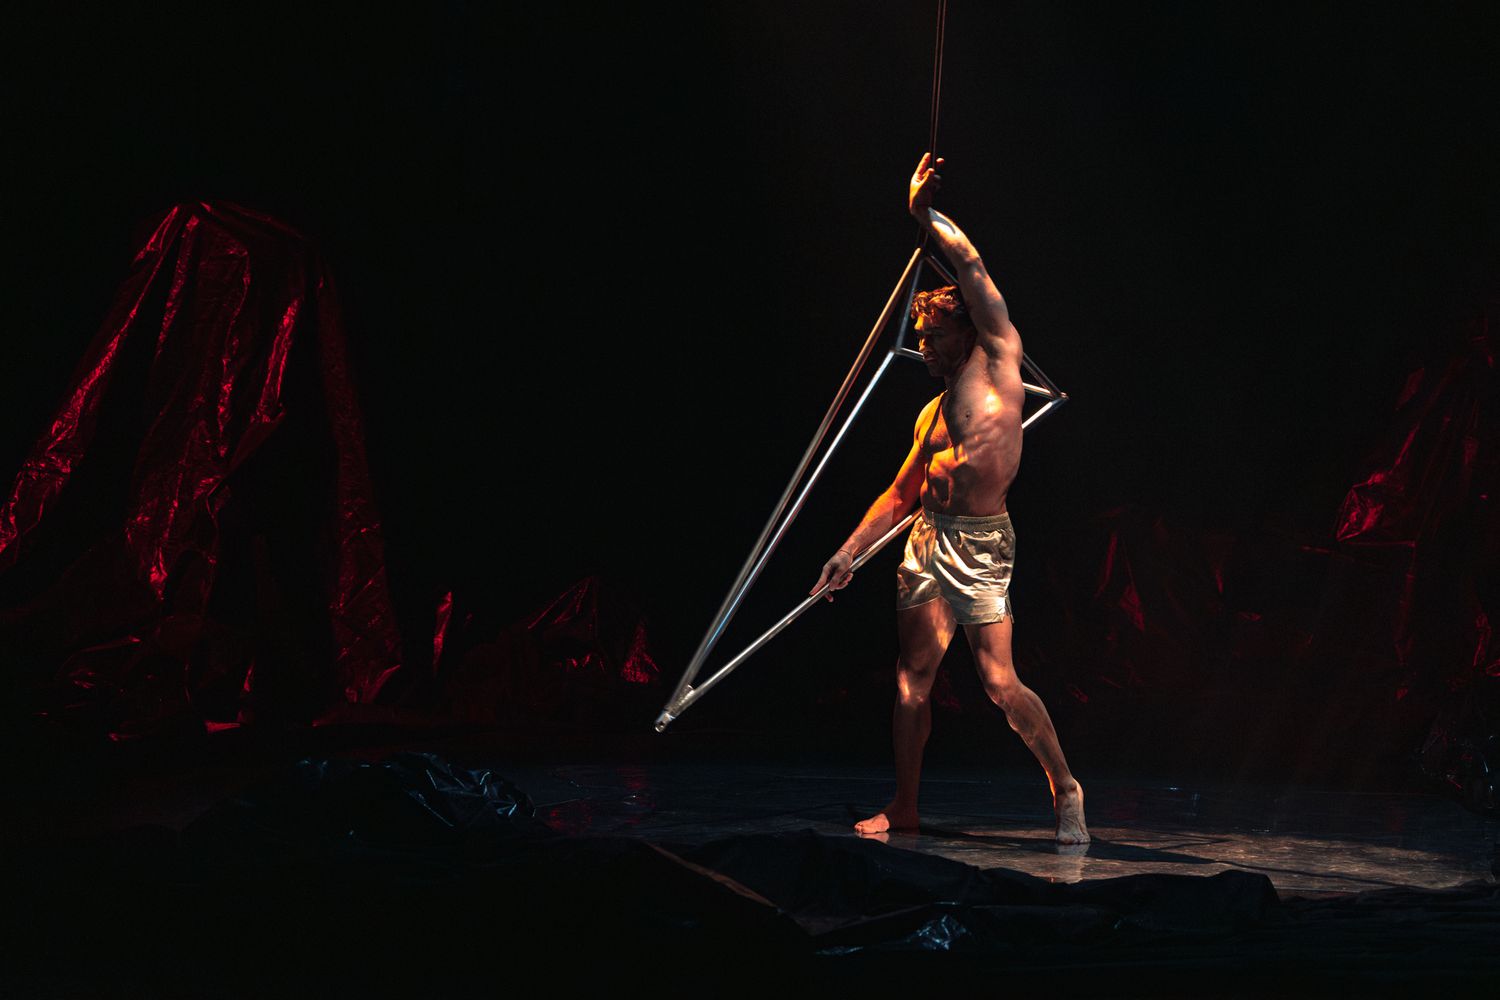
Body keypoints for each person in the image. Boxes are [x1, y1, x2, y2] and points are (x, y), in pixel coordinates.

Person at [811, 153, 1088, 844]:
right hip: (927, 540)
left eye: (932, 337)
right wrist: (848, 553)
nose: (922, 347)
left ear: (964, 332)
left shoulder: (999, 362)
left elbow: (971, 268)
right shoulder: (930, 416)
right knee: (913, 678)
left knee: (998, 682)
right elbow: (901, 493)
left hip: (983, 543)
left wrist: (924, 215)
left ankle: (1066, 784)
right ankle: (905, 804)